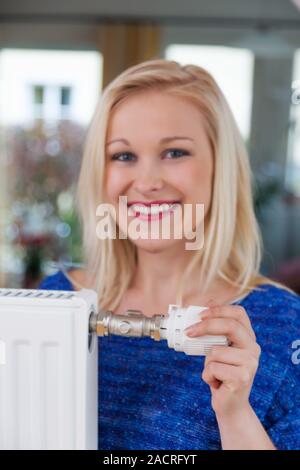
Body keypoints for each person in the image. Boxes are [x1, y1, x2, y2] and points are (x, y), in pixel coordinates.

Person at [39, 59, 300, 450]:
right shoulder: (54, 300)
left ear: (219, 169)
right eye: (123, 156)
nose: (147, 182)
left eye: (175, 152)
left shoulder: (283, 324)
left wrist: (234, 413)